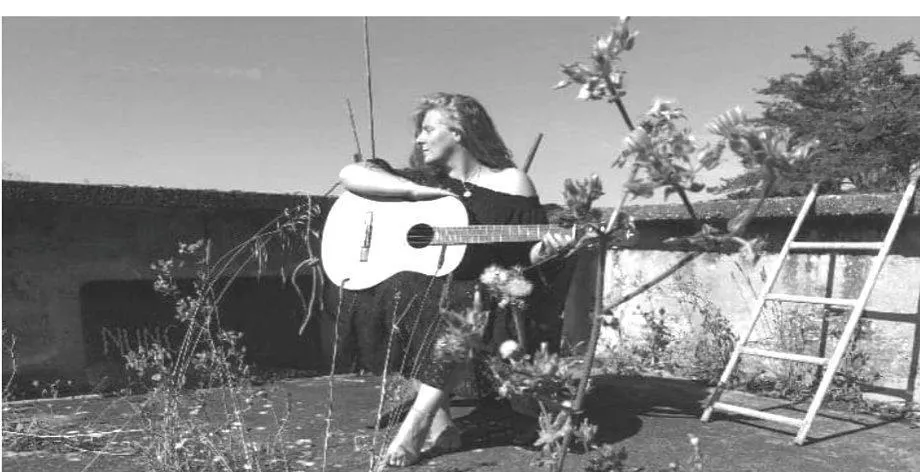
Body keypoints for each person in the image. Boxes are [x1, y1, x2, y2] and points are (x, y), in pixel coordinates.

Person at [338, 92, 572, 468]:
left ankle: (417, 424)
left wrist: (547, 249)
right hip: (429, 288)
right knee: (404, 287)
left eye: (429, 129)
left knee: (466, 296)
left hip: (485, 289)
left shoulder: (511, 182)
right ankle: (441, 423)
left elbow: (523, 256)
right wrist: (413, 191)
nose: (419, 139)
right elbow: (350, 175)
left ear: (459, 132)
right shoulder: (422, 180)